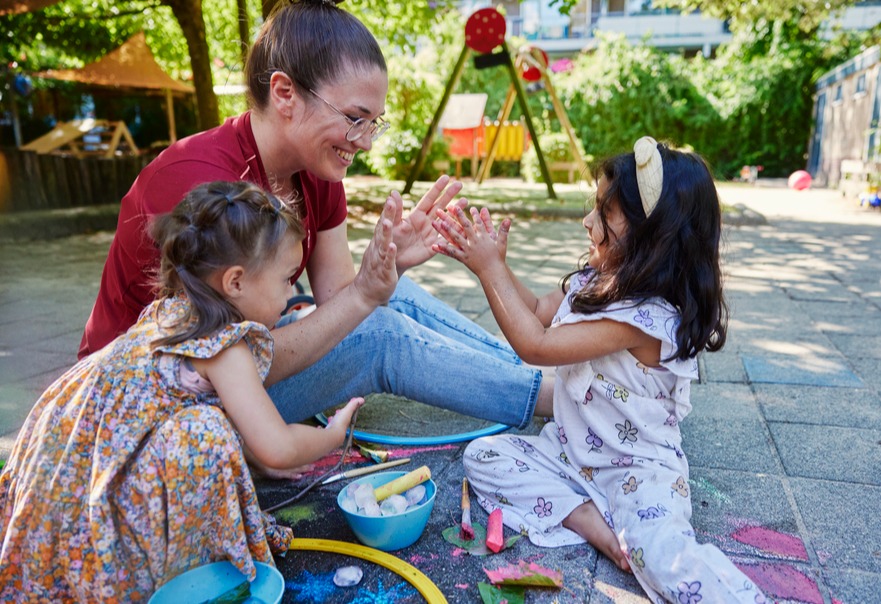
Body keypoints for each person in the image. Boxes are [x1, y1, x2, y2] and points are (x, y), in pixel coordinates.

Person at [77, 0, 549, 446]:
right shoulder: (196, 185)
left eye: (373, 124)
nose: (364, 143)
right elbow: (222, 358)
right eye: (355, 118)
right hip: (149, 413)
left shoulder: (315, 169)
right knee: (378, 338)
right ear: (285, 94)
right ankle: (560, 400)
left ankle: (544, 374)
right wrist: (366, 294)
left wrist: (387, 273)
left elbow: (338, 296)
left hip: (220, 374)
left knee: (389, 298)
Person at [0, 181, 371, 600]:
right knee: (205, 435)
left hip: (63, 483)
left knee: (207, 430)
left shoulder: (173, 313)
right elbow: (279, 447)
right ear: (234, 282)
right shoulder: (224, 345)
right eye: (287, 279)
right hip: (96, 508)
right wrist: (331, 436)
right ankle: (166, 575)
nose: (291, 293)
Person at [433, 138, 767, 602]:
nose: (587, 222)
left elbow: (536, 344)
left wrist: (488, 270)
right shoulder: (595, 282)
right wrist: (498, 266)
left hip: (637, 471)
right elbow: (533, 311)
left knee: (668, 563)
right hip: (570, 455)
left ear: (654, 239)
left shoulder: (645, 319)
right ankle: (593, 524)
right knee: (483, 456)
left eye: (602, 214)